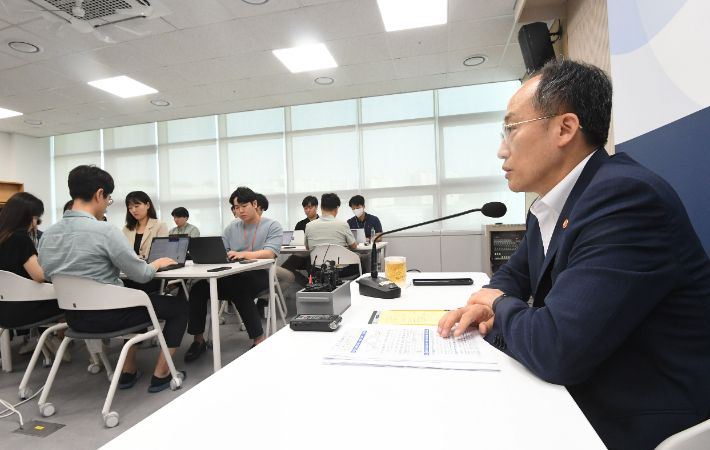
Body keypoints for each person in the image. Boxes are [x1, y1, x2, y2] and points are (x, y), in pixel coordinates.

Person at [436, 59, 710, 450]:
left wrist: (496, 303)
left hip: (645, 417)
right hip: (590, 386)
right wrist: (491, 302)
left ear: (565, 128)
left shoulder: (624, 198)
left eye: (511, 129)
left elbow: (556, 348)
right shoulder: (553, 204)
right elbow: (514, 276)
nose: (501, 150)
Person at [39, 165, 189, 393]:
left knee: (139, 301)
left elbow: (49, 275)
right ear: (100, 194)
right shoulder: (105, 231)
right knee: (178, 306)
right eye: (108, 199)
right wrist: (156, 263)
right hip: (110, 317)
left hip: (74, 318)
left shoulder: (48, 235)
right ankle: (163, 373)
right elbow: (142, 274)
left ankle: (128, 371)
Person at [183, 187, 282, 362]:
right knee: (198, 289)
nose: (240, 211)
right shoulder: (232, 227)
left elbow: (270, 253)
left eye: (243, 206)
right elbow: (222, 251)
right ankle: (198, 341)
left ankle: (259, 340)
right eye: (236, 207)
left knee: (240, 289)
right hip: (233, 273)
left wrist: (244, 254)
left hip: (259, 274)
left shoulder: (272, 225)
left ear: (255, 204)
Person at [0, 192, 70, 361]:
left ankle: (48, 340)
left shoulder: (4, 238)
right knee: (72, 299)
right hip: (25, 310)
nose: (35, 224)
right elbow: (39, 275)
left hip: (5, 310)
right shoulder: (20, 239)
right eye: (35, 218)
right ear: (25, 217)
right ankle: (68, 344)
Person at [304, 193, 359, 278]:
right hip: (340, 270)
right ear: (337, 208)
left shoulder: (309, 225)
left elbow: (308, 247)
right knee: (361, 264)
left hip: (318, 269)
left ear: (321, 207)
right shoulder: (343, 224)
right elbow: (354, 246)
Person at [281, 195, 320, 288]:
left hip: (317, 255)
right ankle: (306, 283)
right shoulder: (300, 224)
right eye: (305, 208)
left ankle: (314, 286)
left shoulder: (322, 223)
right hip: (301, 255)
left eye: (310, 207)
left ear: (316, 207)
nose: (308, 210)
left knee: (310, 262)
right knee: (285, 267)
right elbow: (295, 241)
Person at [122, 191, 168, 259]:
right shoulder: (127, 228)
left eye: (136, 206)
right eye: (130, 208)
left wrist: (140, 257)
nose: (133, 210)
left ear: (148, 205)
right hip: (130, 268)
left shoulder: (160, 226)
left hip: (153, 268)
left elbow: (161, 254)